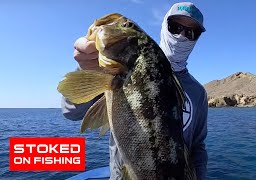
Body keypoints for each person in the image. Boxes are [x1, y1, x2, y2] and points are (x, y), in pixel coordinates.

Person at [61, 2, 208, 180]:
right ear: (164, 26)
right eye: (175, 27)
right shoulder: (112, 73)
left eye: (191, 32)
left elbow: (198, 147)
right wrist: (86, 68)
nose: (182, 35)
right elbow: (71, 112)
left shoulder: (199, 93)